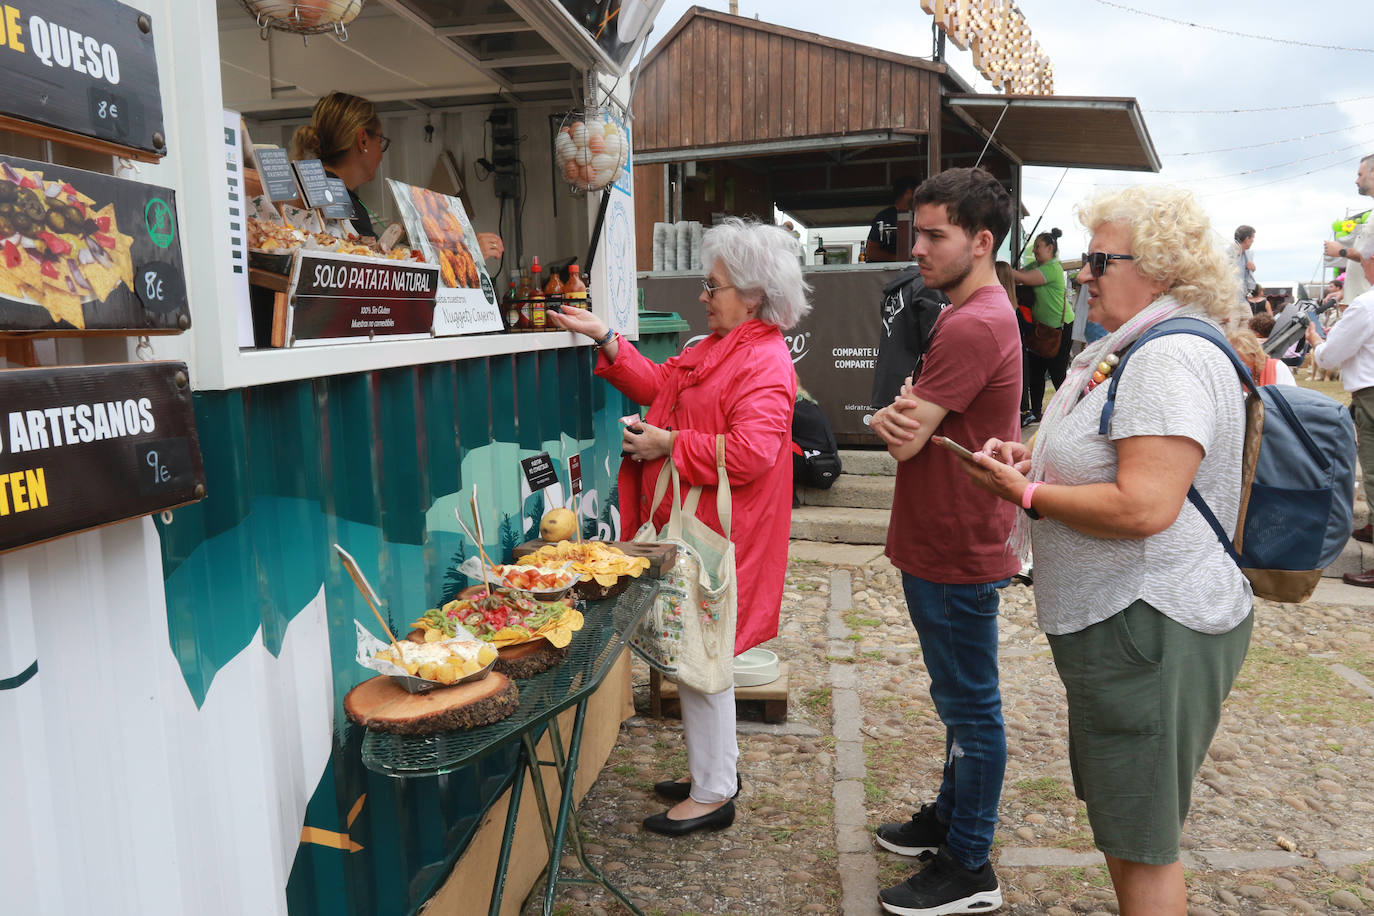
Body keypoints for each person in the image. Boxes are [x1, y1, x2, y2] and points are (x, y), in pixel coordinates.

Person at [958, 185, 1253, 916]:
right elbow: (1109, 465)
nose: (1083, 274)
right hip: (1134, 625)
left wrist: (1024, 495)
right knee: (1128, 830)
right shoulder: (1137, 346)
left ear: (1157, 269)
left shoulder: (1165, 358)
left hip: (1148, 624)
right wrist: (1033, 464)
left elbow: (1144, 505)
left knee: (1143, 843)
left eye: (1098, 259)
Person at [548, 218, 808, 835]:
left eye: (712, 285)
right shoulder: (717, 348)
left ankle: (715, 792)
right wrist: (607, 339)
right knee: (696, 650)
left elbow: (751, 454)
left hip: (721, 537)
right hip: (701, 530)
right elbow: (662, 385)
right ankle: (715, 770)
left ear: (752, 294)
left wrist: (669, 442)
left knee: (702, 656)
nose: (702, 295)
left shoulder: (764, 361)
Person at [867, 167, 1021, 916]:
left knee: (970, 705)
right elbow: (904, 419)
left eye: (935, 235)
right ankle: (949, 817)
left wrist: (898, 415)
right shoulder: (974, 312)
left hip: (957, 540)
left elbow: (902, 438)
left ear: (982, 242)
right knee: (957, 697)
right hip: (946, 532)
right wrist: (899, 414)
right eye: (915, 232)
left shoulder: (971, 322)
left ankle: (969, 864)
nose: (917, 248)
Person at [291, 91, 503, 258]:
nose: (381, 156)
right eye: (380, 141)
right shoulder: (336, 200)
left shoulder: (325, 192)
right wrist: (465, 253)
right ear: (363, 140)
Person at [1306, 250, 1374, 558]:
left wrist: (1318, 342)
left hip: (1370, 394)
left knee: (1372, 472)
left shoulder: (1365, 304)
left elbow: (1331, 356)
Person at [1011, 228, 1072, 424]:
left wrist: (1003, 269)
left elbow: (1023, 278)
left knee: (1057, 373)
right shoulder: (1035, 265)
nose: (1035, 250)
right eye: (1034, 247)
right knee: (1036, 372)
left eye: (1038, 246)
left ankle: (1069, 412)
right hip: (1040, 329)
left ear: (1050, 248)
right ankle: (1036, 412)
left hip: (1059, 328)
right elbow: (1020, 273)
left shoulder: (1052, 268)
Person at [1324, 154, 1374, 305]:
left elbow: (1370, 257)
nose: (1357, 181)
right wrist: (1343, 292)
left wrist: (1342, 251)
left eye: (1360, 175)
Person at [865, 176, 919, 263]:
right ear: (908, 192)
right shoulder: (884, 217)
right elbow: (871, 252)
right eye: (916, 192)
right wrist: (899, 259)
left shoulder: (919, 216)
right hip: (887, 274)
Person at [1229, 326, 1295, 386]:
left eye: (1242, 360)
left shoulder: (1277, 367)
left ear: (1254, 355)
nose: (1238, 365)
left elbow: (1290, 396)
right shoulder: (1230, 376)